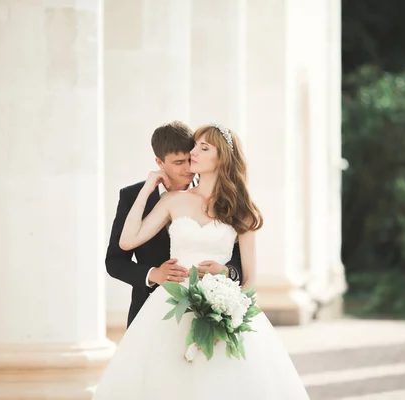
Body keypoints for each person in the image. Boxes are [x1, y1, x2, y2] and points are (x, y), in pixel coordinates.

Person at [93, 124, 309, 400]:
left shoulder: (240, 208)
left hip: (222, 307)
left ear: (222, 158)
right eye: (189, 151)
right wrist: (148, 188)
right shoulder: (173, 200)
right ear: (161, 163)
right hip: (166, 307)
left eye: (201, 148)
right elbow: (125, 245)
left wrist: (229, 298)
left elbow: (249, 278)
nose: (192, 154)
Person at [106, 121, 243, 327]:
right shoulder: (132, 196)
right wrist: (153, 274)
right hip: (152, 309)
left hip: (214, 308)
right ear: (160, 163)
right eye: (179, 162)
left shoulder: (223, 198)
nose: (189, 168)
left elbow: (239, 256)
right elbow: (115, 261)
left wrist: (227, 271)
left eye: (191, 158)